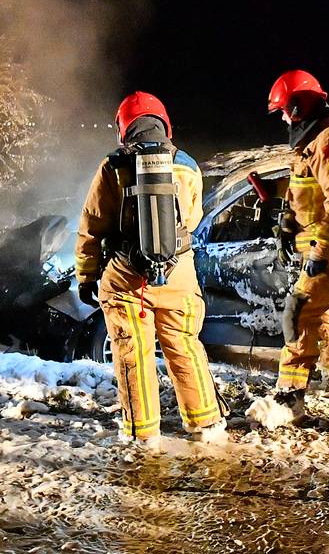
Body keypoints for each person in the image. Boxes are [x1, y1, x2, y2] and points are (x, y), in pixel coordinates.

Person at [76, 92, 226, 445]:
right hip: (179, 275)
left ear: (124, 128)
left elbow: (92, 225)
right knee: (184, 346)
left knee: (133, 355)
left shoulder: (112, 166)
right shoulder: (188, 166)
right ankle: (206, 425)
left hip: (128, 279)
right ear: (164, 124)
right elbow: (191, 218)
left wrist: (87, 275)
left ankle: (143, 436)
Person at [249, 69, 329, 427]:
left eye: (285, 110)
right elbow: (305, 192)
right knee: (326, 312)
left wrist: (319, 253)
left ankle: (290, 395)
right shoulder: (313, 142)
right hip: (324, 244)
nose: (284, 118)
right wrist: (286, 220)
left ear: (298, 106)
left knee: (299, 311)